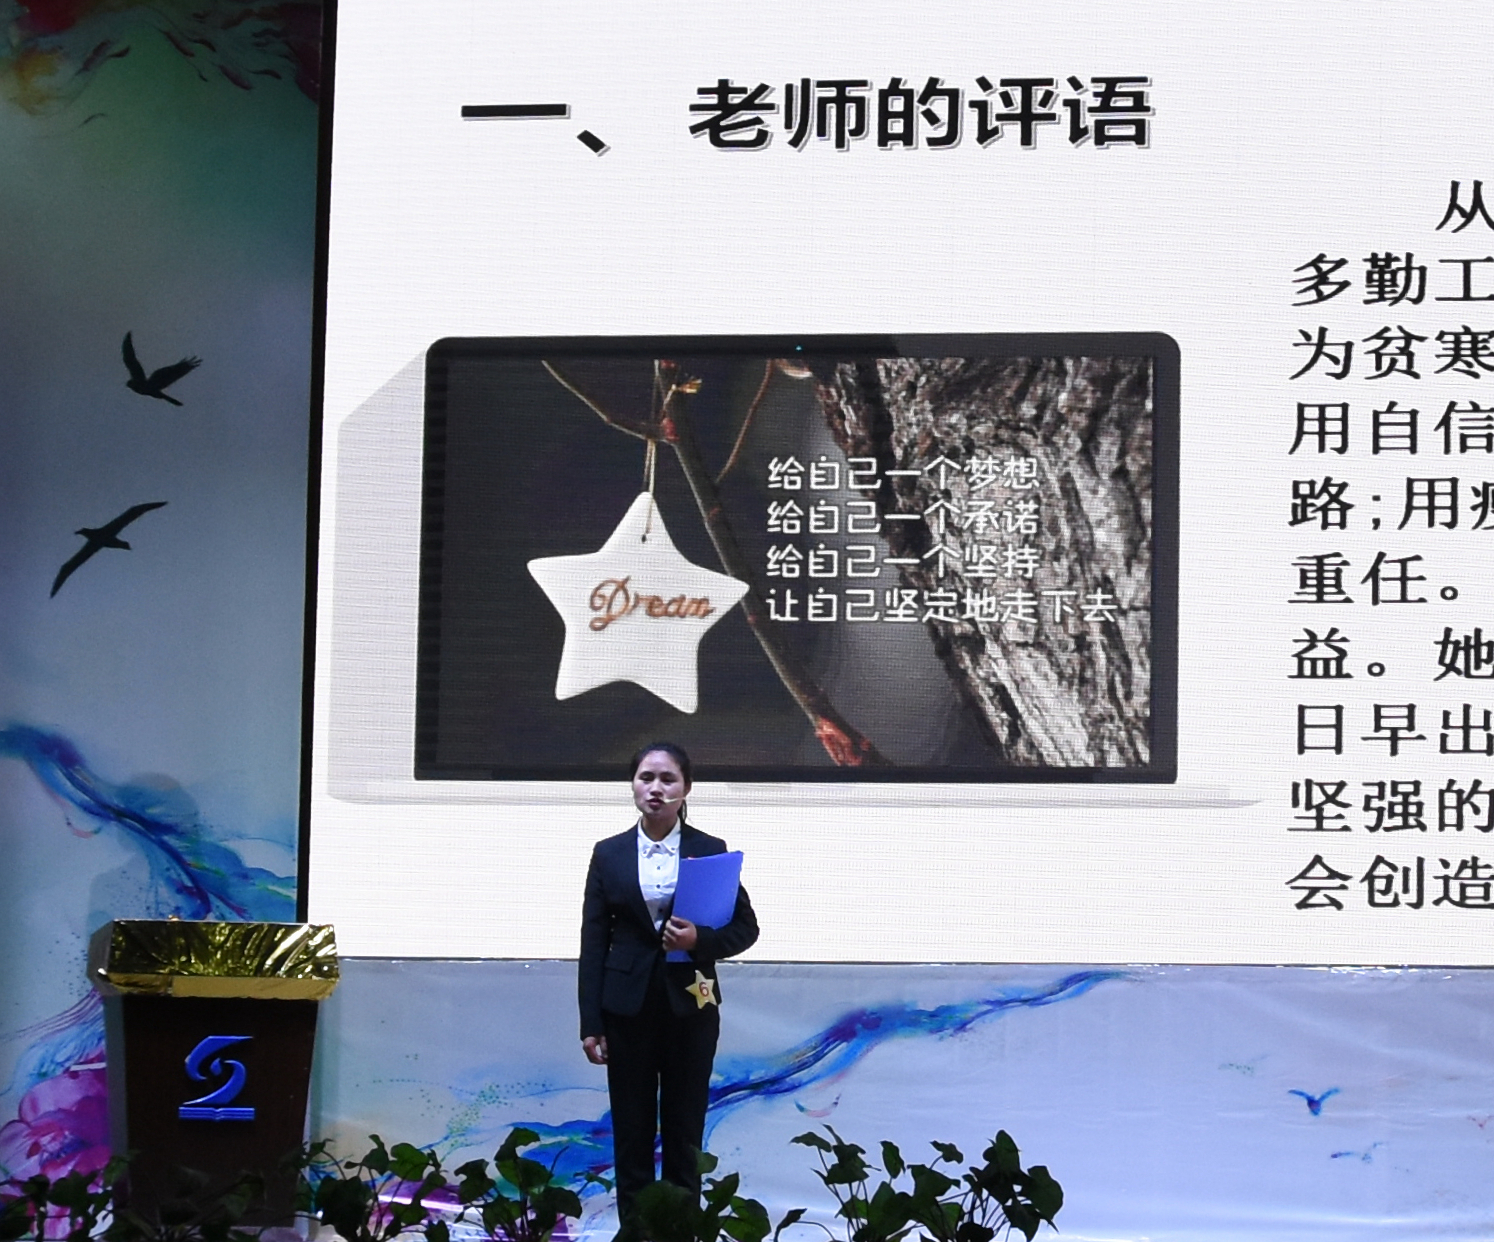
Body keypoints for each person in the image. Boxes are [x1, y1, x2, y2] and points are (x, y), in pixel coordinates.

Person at [578, 741, 759, 1228]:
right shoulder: (609, 853)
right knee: (632, 1132)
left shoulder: (710, 850)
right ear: (633, 785)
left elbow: (746, 929)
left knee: (684, 1132)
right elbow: (593, 942)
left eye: (667, 779)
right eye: (645, 778)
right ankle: (635, 1233)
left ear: (686, 788)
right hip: (626, 1009)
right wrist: (590, 1022)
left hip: (690, 1008)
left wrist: (700, 940)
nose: (655, 788)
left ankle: (681, 1232)